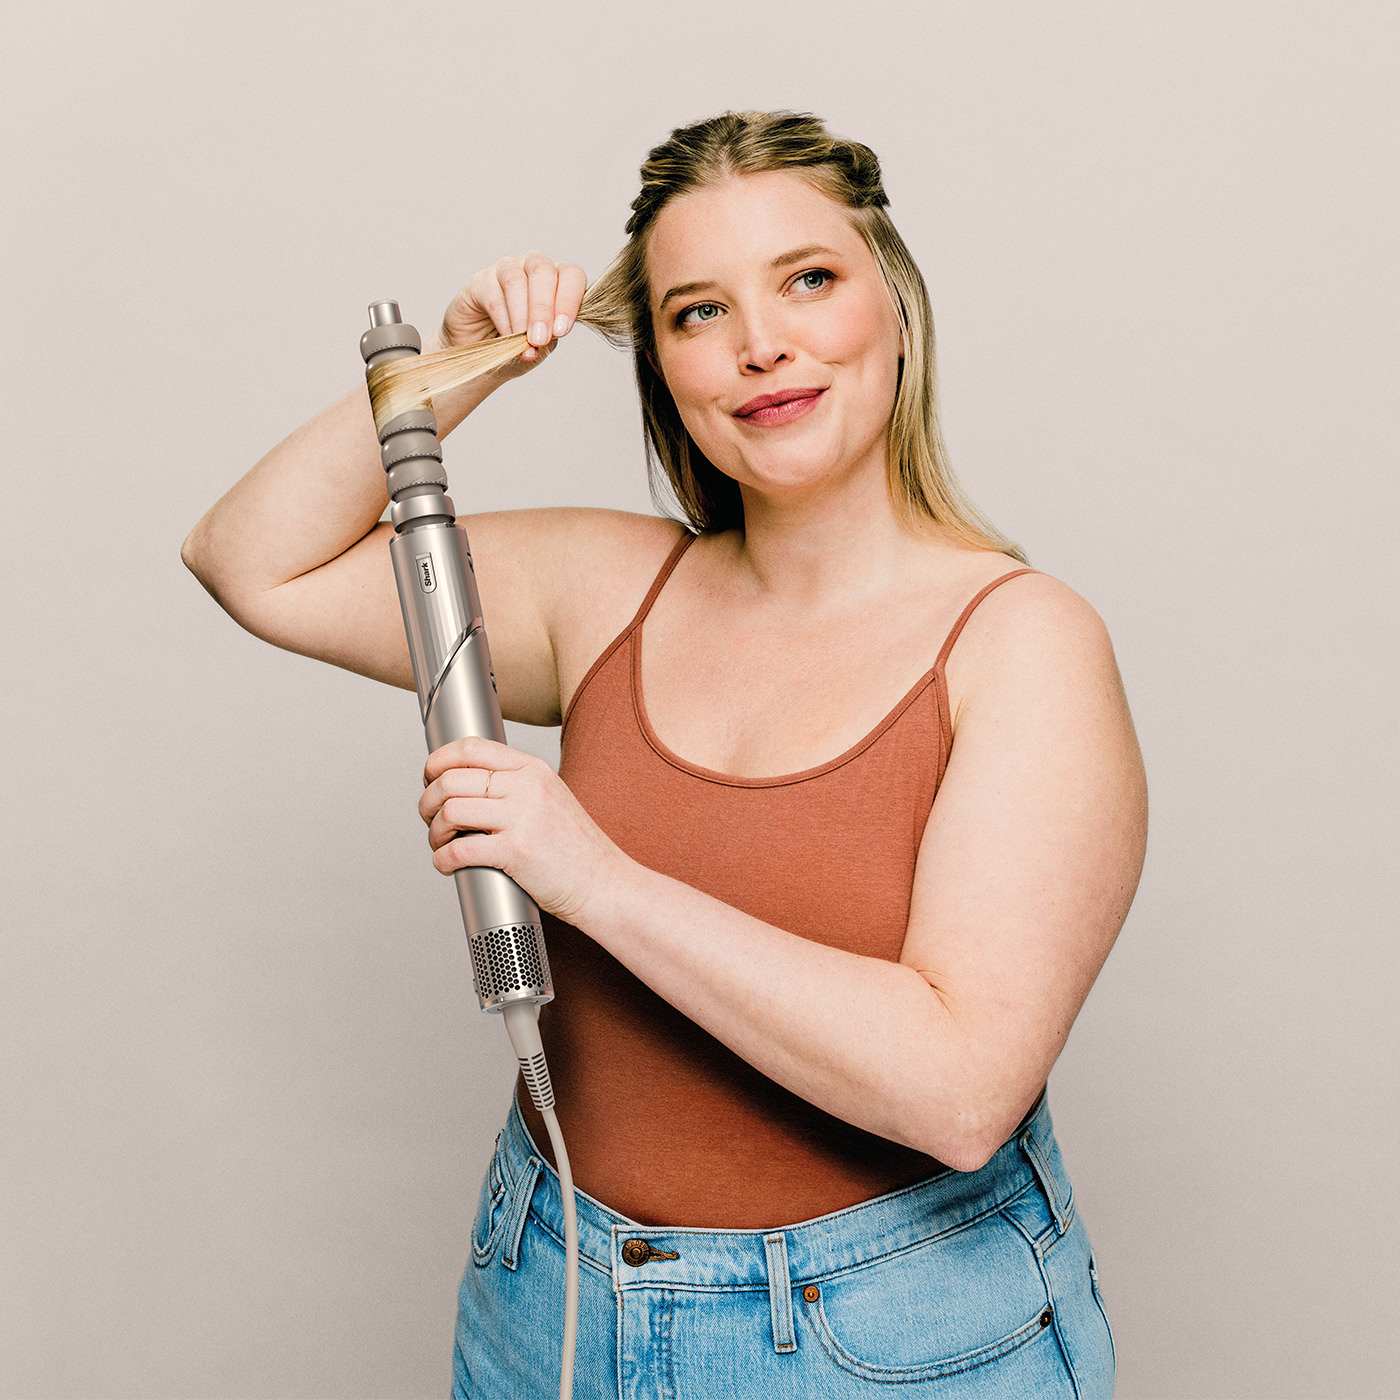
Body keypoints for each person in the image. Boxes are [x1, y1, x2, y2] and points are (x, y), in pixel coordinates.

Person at [183, 108, 1144, 1398]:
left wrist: (592, 877)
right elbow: (252, 562)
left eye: (809, 280)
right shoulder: (607, 591)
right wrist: (457, 372)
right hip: (553, 1297)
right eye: (699, 312)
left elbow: (962, 1092)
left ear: (897, 310)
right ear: (664, 371)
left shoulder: (1022, 643)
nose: (761, 345)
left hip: (891, 1337)